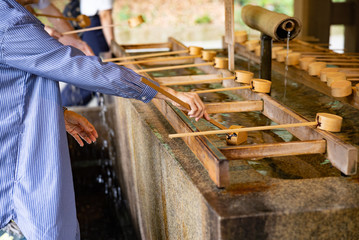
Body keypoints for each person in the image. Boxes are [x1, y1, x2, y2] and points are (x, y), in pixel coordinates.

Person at [0, 0, 209, 239]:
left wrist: (59, 113)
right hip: (13, 191)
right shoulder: (8, 22)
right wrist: (165, 92)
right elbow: (79, 67)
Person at [61, 0, 115, 106]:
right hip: (95, 29)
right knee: (95, 74)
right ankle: (63, 106)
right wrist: (112, 45)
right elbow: (105, 15)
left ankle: (62, 105)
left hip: (90, 27)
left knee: (93, 73)